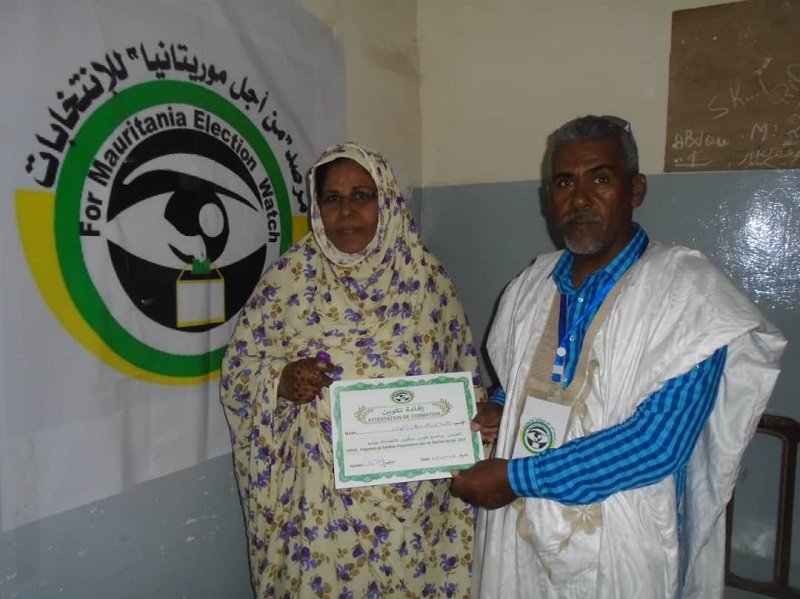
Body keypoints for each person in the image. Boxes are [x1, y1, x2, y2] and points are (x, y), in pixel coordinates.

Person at [450, 115, 786, 599]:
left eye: (601, 179)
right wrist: (500, 408)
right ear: (549, 197)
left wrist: (517, 477)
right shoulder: (530, 285)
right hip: (520, 535)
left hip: (622, 540)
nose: (580, 199)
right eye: (565, 182)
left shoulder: (689, 295)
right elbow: (525, 376)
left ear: (636, 189)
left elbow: (656, 443)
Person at [220, 141, 485, 598]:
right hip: (318, 510)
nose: (346, 211)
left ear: (386, 199)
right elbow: (239, 373)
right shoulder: (288, 282)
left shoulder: (426, 281)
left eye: (361, 195)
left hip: (417, 506)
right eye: (332, 198)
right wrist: (281, 381)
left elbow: (464, 375)